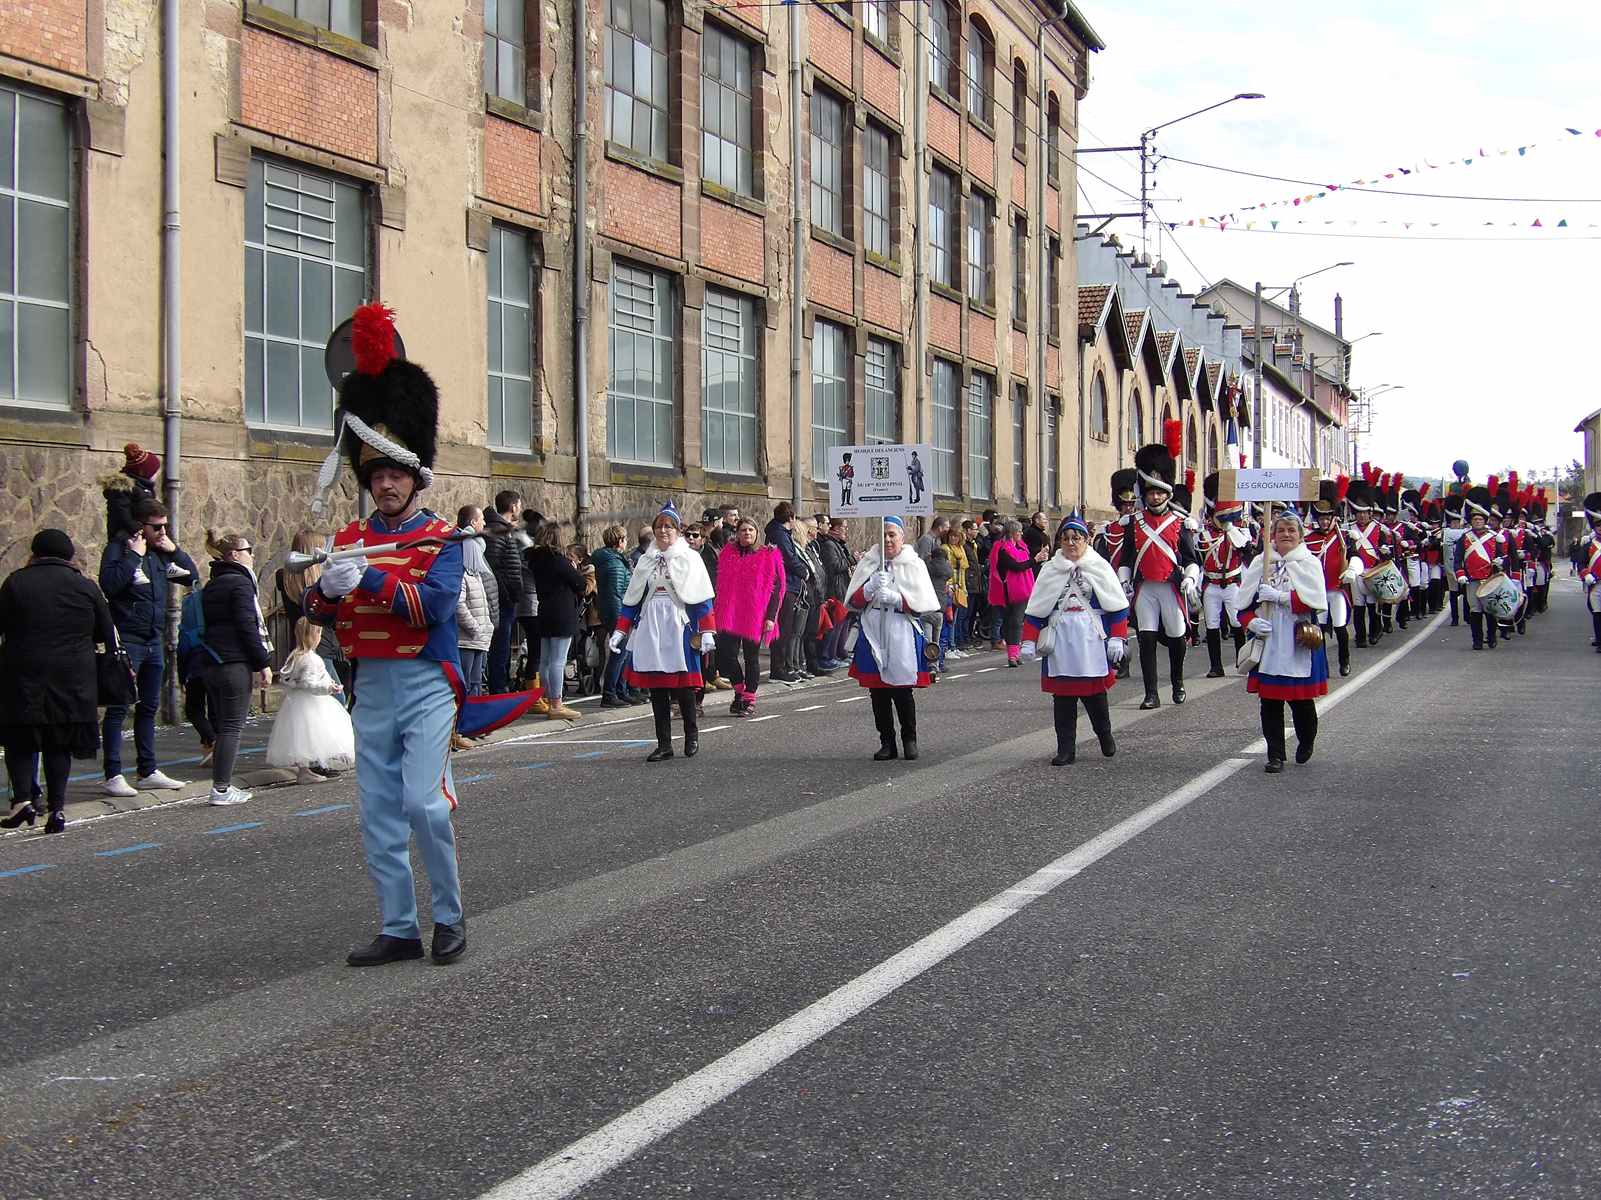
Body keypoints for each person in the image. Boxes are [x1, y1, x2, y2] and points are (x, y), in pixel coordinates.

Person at [304, 304, 479, 968]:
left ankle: (449, 917)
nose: (384, 484)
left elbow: (433, 609)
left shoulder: (442, 539)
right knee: (377, 811)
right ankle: (399, 926)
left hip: (425, 681)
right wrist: (326, 590)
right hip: (370, 685)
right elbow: (320, 612)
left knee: (423, 805)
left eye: (395, 474)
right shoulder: (349, 539)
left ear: (415, 478)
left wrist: (370, 580)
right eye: (376, 475)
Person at [0, 530, 116, 834]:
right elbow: (105, 632)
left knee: (20, 739)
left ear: (35, 552)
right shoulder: (85, 587)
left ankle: (22, 801)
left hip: (24, 672)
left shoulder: (16, 583)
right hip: (73, 676)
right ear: (68, 555)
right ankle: (57, 808)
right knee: (59, 741)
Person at [98, 497, 199, 798]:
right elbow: (110, 584)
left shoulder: (160, 557)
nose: (162, 532)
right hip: (129, 638)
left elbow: (190, 577)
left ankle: (147, 770)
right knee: (119, 707)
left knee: (149, 706)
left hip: (154, 639)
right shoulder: (119, 549)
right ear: (141, 526)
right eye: (157, 527)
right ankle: (113, 774)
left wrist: (175, 551)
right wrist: (133, 556)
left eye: (165, 526)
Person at [609, 502, 715, 761]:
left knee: (684, 687)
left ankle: (691, 735)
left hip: (679, 628)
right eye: (659, 526)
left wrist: (707, 630)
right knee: (657, 689)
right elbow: (633, 599)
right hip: (651, 628)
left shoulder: (690, 558)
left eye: (669, 526)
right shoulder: (645, 560)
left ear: (678, 531)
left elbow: (702, 598)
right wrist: (620, 631)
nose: (663, 531)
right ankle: (664, 744)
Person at [1020, 512, 1127, 765]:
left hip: (1091, 639)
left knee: (1095, 695)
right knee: (1063, 699)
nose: (1071, 543)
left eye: (1076, 538)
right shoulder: (1050, 570)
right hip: (1061, 640)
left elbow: (1117, 606)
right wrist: (1028, 641)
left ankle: (1104, 734)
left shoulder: (1099, 567)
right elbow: (1036, 610)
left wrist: (1117, 638)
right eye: (1066, 538)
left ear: (1086, 540)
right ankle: (1066, 749)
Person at [1234, 508, 1329, 773]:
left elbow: (1316, 602)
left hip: (1298, 641)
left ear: (1300, 535)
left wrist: (1280, 597)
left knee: (1302, 703)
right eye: (1281, 530)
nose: (1286, 534)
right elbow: (1242, 606)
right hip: (1269, 642)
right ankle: (1275, 754)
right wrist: (1251, 622)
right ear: (1272, 535)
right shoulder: (1261, 562)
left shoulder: (1309, 562)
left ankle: (1306, 740)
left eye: (1291, 530)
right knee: (1270, 704)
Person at [1114, 432, 1202, 709]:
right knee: (1147, 639)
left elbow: (1191, 559)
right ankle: (1151, 693)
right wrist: (1124, 581)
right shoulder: (1134, 522)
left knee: (1177, 637)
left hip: (1171, 588)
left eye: (1160, 491)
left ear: (1167, 493)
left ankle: (1177, 682)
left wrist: (1190, 578)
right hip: (1145, 589)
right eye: (1151, 492)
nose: (1155, 496)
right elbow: (1127, 558)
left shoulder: (1179, 522)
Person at [845, 516, 938, 761]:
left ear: (901, 537)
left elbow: (922, 605)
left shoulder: (914, 564)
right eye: (883, 534)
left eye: (892, 535)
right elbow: (854, 602)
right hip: (873, 629)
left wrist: (898, 599)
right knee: (878, 693)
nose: (887, 539)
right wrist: (869, 588)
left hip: (901, 630)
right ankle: (887, 742)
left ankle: (909, 739)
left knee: (902, 691)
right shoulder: (869, 562)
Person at [200, 530, 273, 807]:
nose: (252, 555)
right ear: (234, 555)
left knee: (223, 726)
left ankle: (221, 786)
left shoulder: (213, 584)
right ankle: (221, 788)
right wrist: (263, 662)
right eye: (248, 550)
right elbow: (247, 626)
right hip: (233, 663)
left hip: (212, 661)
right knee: (232, 727)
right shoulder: (240, 584)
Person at [267, 617, 354, 785]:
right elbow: (310, 683)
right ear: (313, 635)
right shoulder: (312, 659)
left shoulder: (294, 656)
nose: (320, 637)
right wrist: (329, 688)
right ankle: (312, 769)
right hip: (312, 702)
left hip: (296, 702)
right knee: (315, 733)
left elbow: (288, 679)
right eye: (319, 633)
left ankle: (305, 770)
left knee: (301, 737)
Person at [714, 517, 786, 717]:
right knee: (728, 655)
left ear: (756, 533)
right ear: (737, 533)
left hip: (755, 614)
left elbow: (776, 589)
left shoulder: (768, 554)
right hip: (730, 613)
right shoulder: (727, 554)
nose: (747, 533)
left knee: (751, 657)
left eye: (750, 530)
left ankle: (749, 697)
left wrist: (770, 617)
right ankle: (739, 690)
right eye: (743, 530)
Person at [527, 520, 585, 721]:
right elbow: (580, 583)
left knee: (545, 660)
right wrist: (574, 568)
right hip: (562, 612)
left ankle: (546, 697)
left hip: (544, 610)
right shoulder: (559, 561)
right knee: (558, 661)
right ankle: (556, 703)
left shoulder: (535, 560)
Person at [1198, 472, 1253, 679]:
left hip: (1232, 583)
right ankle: (1216, 666)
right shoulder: (1204, 534)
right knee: (1212, 625)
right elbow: (1196, 557)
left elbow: (1247, 553)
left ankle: (1242, 661)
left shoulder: (1238, 532)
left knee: (1237, 623)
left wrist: (1232, 530)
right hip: (1211, 584)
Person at [281, 529, 348, 695]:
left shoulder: (285, 578)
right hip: (323, 642)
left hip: (302, 645)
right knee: (334, 696)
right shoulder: (321, 581)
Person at [1305, 478, 1353, 677]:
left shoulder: (1345, 537)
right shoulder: (1308, 539)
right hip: (1318, 591)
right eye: (1321, 518)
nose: (1325, 522)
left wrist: (1352, 569)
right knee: (1320, 629)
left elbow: (1355, 556)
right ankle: (1322, 666)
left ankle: (1344, 661)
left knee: (1340, 627)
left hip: (1336, 589)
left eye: (1328, 518)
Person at [1095, 469, 1139, 678]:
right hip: (1114, 582)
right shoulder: (1108, 530)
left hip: (1137, 582)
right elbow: (1101, 559)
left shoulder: (1142, 527)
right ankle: (1121, 662)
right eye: (1125, 504)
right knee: (1115, 624)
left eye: (1131, 504)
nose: (1128, 508)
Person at [1343, 473, 1393, 649]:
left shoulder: (1379, 529)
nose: (1362, 516)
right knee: (1359, 605)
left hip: (1372, 572)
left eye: (1365, 512)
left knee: (1372, 605)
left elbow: (1386, 552)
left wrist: (1386, 552)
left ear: (1370, 512)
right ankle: (1360, 637)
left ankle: (1374, 632)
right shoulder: (1348, 529)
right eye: (1359, 513)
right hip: (1356, 573)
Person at [484, 491, 526, 693]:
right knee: (499, 648)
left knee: (504, 647)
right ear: (513, 506)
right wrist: (508, 594)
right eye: (519, 505)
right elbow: (493, 567)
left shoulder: (504, 529)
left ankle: (502, 686)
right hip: (501, 599)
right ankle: (498, 689)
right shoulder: (497, 530)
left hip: (506, 598)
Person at [1454, 485, 1505, 651]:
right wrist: (1460, 574)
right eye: (1475, 519)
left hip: (1490, 579)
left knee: (1490, 610)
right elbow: (1458, 559)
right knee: (1475, 610)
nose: (1477, 522)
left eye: (1480, 519)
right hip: (1472, 580)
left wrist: (1500, 563)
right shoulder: (1464, 538)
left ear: (1485, 520)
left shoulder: (1494, 538)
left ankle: (1491, 636)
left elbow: (1503, 557)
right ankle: (1477, 640)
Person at [765, 501, 809, 682]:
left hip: (788, 584)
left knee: (787, 629)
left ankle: (782, 667)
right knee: (783, 629)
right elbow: (789, 559)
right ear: (791, 518)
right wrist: (804, 571)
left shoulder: (779, 533)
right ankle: (778, 669)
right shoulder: (780, 535)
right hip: (785, 585)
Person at [592, 524, 634, 706]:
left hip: (612, 609)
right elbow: (616, 592)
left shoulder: (611, 560)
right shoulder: (615, 563)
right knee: (620, 653)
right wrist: (621, 617)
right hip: (617, 611)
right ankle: (610, 693)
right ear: (620, 541)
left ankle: (620, 690)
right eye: (625, 539)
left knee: (623, 652)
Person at [987, 521, 1035, 667]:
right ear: (1011, 533)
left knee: (1016, 622)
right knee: (1012, 622)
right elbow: (1016, 567)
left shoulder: (1021, 547)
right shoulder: (1002, 549)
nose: (1021, 533)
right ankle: (1012, 655)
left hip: (1023, 590)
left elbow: (1025, 566)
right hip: (1009, 591)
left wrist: (1035, 560)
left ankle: (1015, 654)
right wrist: (1035, 560)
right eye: (1018, 531)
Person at [101, 442, 161, 542]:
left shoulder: (144, 486)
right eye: (154, 471)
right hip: (127, 537)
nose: (156, 474)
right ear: (144, 472)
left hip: (142, 535)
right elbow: (121, 513)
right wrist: (138, 529)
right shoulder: (122, 489)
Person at [940, 527, 969, 661]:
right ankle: (948, 647)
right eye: (951, 536)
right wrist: (950, 585)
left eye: (956, 536)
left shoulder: (961, 549)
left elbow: (963, 570)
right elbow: (947, 568)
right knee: (949, 619)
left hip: (959, 586)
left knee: (956, 618)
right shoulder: (946, 549)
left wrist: (963, 588)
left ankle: (953, 645)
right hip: (950, 587)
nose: (953, 538)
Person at [1581, 493, 1601, 651]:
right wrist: (1586, 574)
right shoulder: (1589, 544)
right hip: (1596, 584)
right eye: (1598, 525)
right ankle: (1600, 641)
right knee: (1597, 612)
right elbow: (1581, 563)